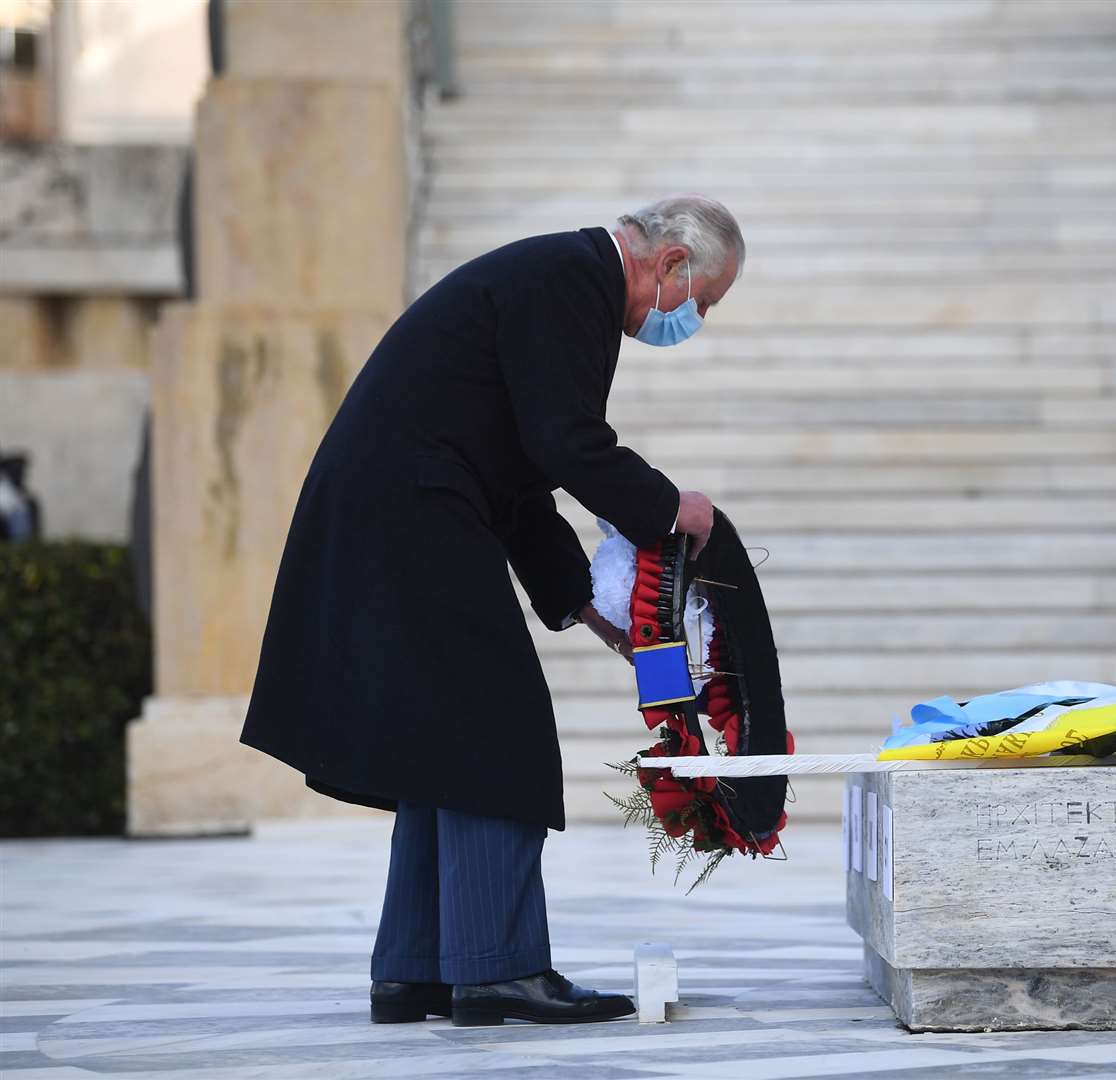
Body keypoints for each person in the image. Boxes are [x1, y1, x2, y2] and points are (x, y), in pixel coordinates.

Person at [239, 194, 744, 1026]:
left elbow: (521, 480)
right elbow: (564, 444)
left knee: (443, 736)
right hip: (415, 506)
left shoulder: (561, 276)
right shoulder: (571, 282)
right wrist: (668, 506)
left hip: (406, 503)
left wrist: (587, 607)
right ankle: (497, 967)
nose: (691, 319)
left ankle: (417, 969)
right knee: (494, 724)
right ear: (671, 265)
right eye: (701, 302)